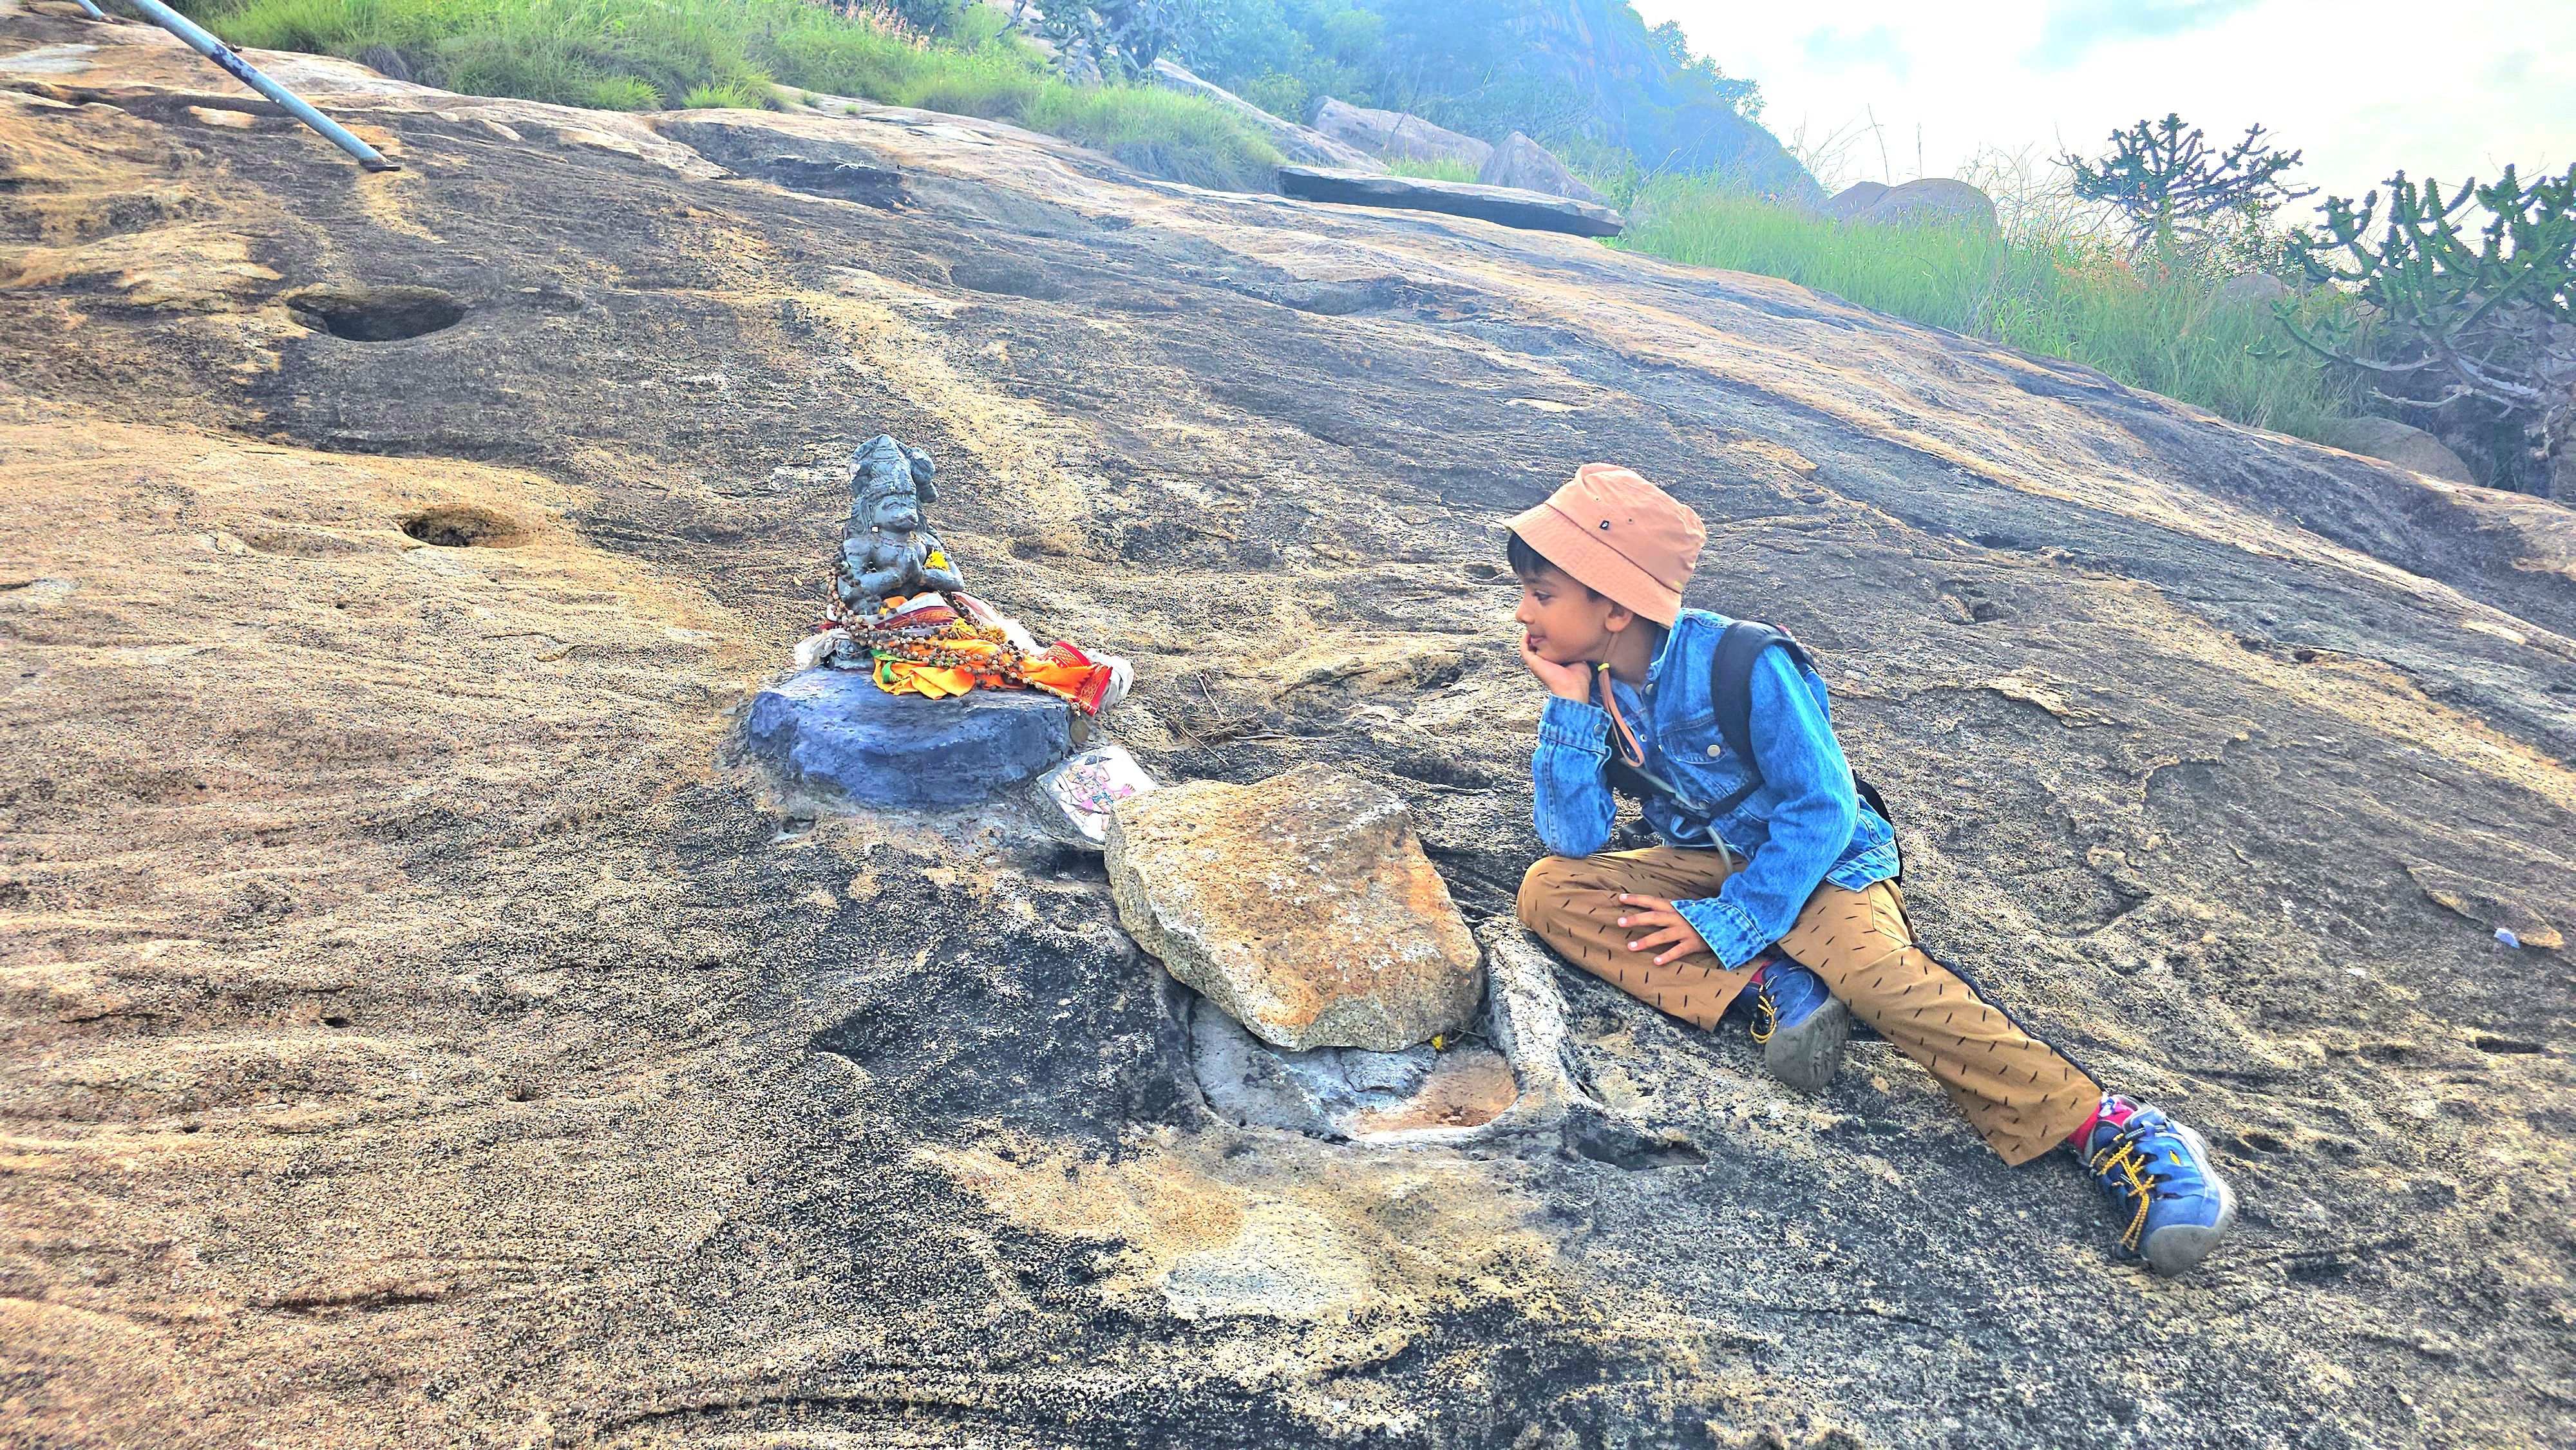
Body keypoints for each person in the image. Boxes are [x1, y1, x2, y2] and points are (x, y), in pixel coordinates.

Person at [1506, 462, 2235, 1275]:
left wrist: (1731, 919)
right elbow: (1571, 837)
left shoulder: (1744, 662)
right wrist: (1569, 713)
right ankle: (1770, 990)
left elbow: (1820, 808)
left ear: (1612, 605)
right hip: (1706, 860)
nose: (1522, 613)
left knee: (1874, 978)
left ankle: (2108, 1125)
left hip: (1819, 862)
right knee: (1548, 890)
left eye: (1542, 594)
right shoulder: (1592, 687)